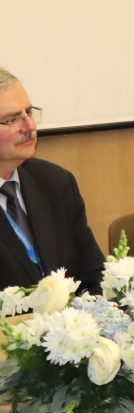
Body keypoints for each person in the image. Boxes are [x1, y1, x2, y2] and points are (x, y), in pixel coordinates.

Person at [0, 68, 103, 294]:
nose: (30, 127)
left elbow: (95, 276)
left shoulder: (55, 183)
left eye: (29, 113)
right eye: (12, 119)